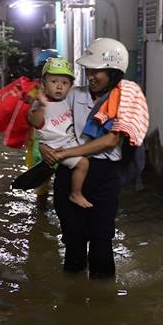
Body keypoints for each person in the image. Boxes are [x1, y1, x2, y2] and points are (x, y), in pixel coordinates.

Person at [38, 38, 149, 279]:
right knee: (73, 241)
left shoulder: (124, 100)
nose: (91, 75)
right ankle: (74, 302)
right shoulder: (73, 95)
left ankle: (103, 304)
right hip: (70, 173)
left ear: (113, 72)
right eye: (89, 69)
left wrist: (64, 153)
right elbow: (51, 122)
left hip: (103, 176)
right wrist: (44, 145)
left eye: (97, 70)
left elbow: (110, 140)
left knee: (101, 241)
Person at [27, 58, 92, 208]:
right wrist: (42, 106)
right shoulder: (41, 103)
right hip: (55, 148)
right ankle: (76, 193)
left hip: (67, 144)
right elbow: (35, 122)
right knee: (83, 163)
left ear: (71, 86)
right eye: (54, 81)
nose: (59, 86)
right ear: (44, 84)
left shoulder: (69, 100)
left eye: (64, 83)